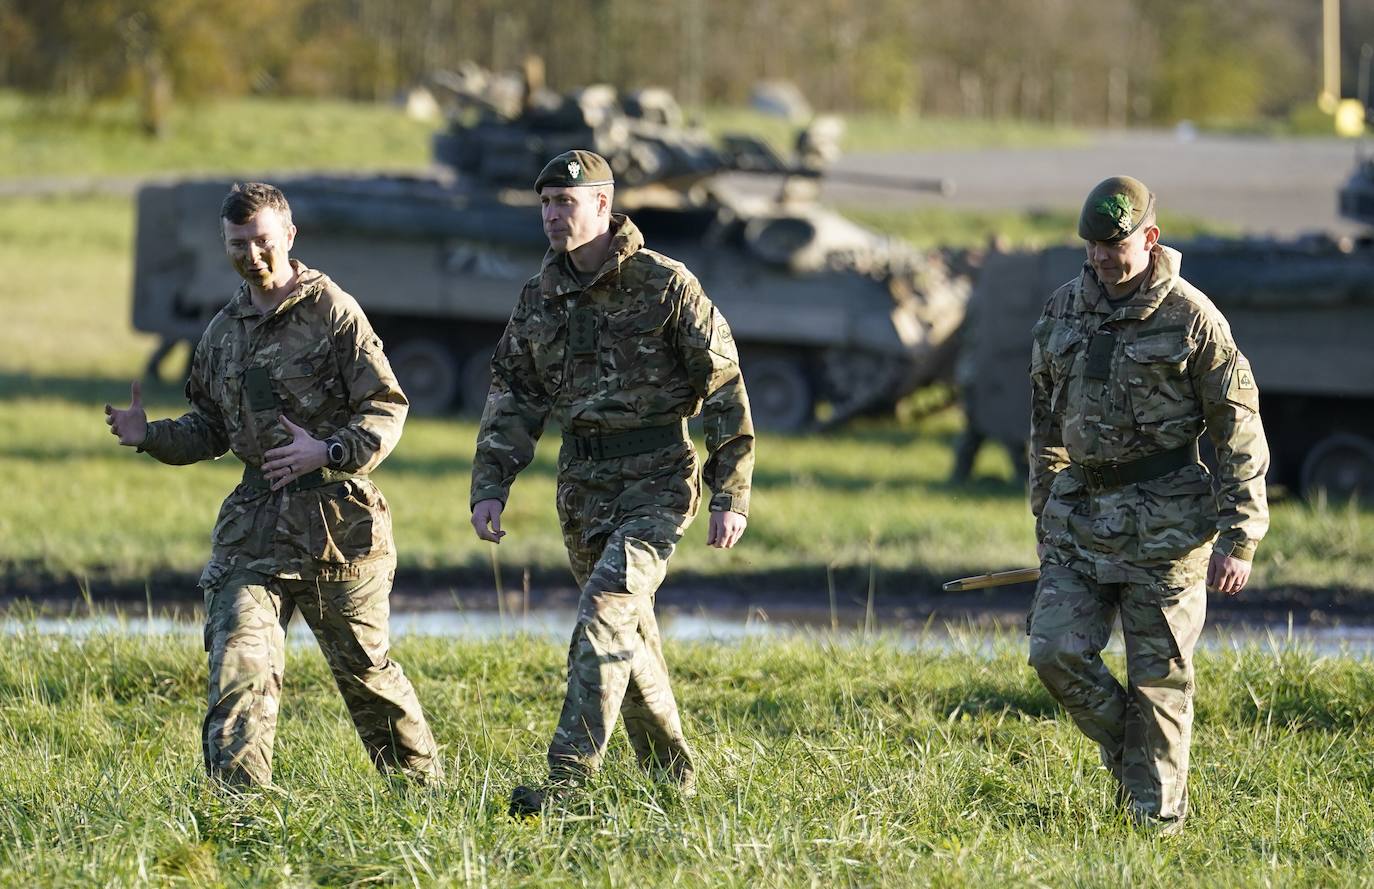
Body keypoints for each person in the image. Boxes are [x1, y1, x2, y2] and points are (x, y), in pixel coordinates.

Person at [104, 182, 442, 788]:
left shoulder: (332, 310)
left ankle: (422, 793)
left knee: (366, 677)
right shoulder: (223, 330)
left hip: (338, 529)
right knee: (239, 664)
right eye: (238, 244)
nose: (252, 255)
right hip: (253, 528)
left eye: (262, 241)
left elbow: (386, 407)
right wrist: (148, 434)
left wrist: (329, 450)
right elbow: (208, 429)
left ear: (288, 236)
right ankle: (240, 814)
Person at [468, 150, 755, 817]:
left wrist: (729, 490)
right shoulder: (540, 297)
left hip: (658, 482)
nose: (551, 215)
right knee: (628, 636)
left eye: (564, 202)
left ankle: (568, 786)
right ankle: (674, 781)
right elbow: (513, 393)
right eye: (544, 203)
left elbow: (723, 386)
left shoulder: (664, 284)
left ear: (604, 204)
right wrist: (492, 483)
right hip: (583, 490)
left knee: (602, 617)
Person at [1026, 175, 1269, 832]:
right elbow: (1046, 423)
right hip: (1079, 519)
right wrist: (1044, 510)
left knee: (1159, 685)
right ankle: (1135, 755)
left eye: (1116, 244)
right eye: (1094, 246)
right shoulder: (1063, 309)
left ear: (1150, 238)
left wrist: (1240, 536)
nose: (1104, 257)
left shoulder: (1192, 319)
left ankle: (1152, 835)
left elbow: (1237, 428)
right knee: (1054, 652)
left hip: (1167, 527)